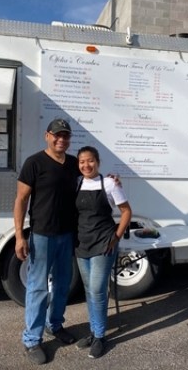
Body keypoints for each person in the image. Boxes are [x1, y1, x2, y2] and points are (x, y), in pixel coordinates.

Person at [13, 118, 79, 365]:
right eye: (57, 135)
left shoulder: (73, 164)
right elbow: (21, 200)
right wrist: (20, 236)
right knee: (38, 288)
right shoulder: (34, 163)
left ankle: (55, 325)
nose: (61, 140)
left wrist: (111, 180)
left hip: (66, 235)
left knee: (62, 284)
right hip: (41, 235)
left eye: (66, 136)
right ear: (47, 136)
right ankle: (31, 340)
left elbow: (91, 181)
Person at [74, 146, 132, 359]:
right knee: (89, 289)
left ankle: (100, 336)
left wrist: (116, 237)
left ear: (97, 162)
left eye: (90, 161)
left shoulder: (108, 183)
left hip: (104, 242)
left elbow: (126, 211)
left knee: (98, 290)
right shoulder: (77, 183)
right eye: (82, 162)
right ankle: (93, 331)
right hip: (82, 243)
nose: (86, 165)